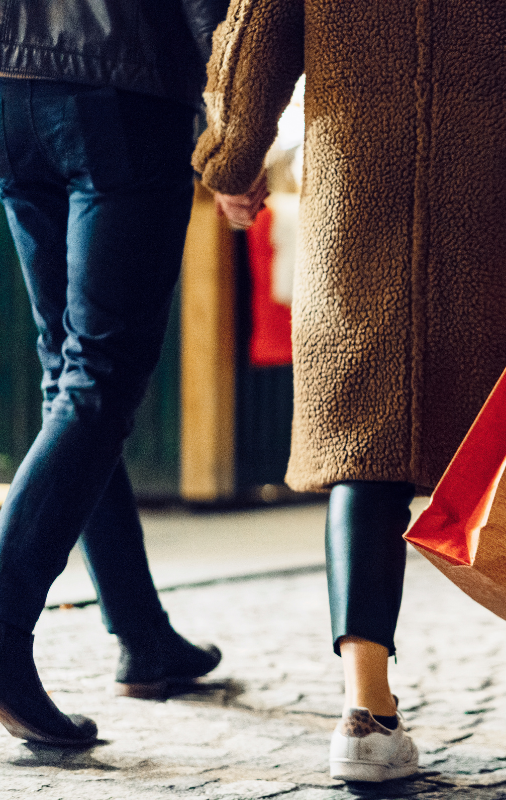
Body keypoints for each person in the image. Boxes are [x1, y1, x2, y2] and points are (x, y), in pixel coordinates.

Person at [193, 0, 506, 783]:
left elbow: (258, 28)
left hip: (359, 192)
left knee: (362, 441)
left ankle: (366, 712)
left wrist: (232, 161)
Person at [0, 1, 228, 746]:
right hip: (123, 86)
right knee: (96, 378)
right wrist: (236, 123)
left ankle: (141, 632)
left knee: (69, 371)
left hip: (10, 85)